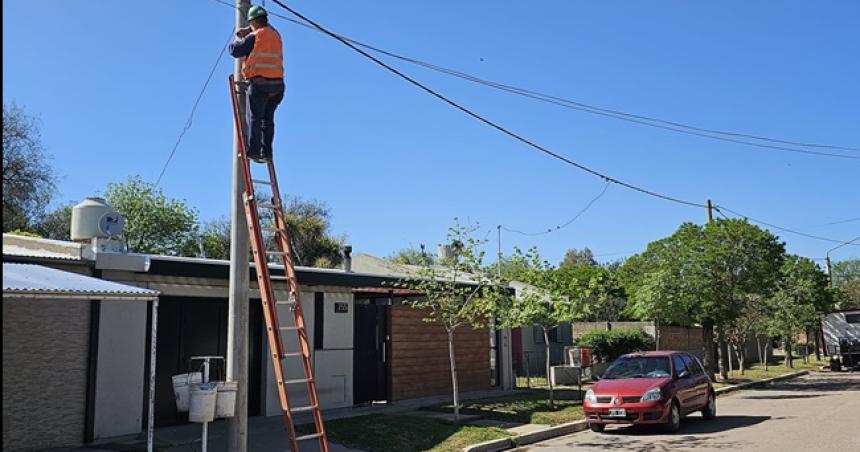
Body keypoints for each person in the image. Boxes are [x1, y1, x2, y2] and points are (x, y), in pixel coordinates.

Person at [229, 5, 285, 163]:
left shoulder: (255, 36)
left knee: (254, 117)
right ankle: (267, 152)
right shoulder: (275, 35)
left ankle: (254, 151)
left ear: (253, 22)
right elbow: (264, 28)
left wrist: (239, 37)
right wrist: (249, 29)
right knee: (268, 120)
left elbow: (235, 50)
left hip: (260, 84)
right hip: (278, 86)